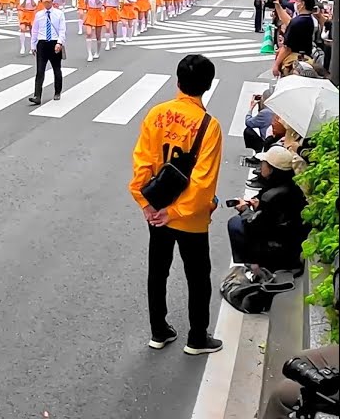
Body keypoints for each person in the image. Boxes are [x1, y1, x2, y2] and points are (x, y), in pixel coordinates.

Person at [128, 54, 224, 356]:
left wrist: (148, 205)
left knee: (158, 272)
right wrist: (178, 211)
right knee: (197, 277)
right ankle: (196, 338)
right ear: (207, 86)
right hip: (191, 218)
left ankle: (159, 331)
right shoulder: (209, 126)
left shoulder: (156, 114)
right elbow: (203, 182)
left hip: (156, 212)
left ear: (178, 81)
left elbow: (142, 163)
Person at [227, 145, 308, 278]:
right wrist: (259, 206)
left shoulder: (271, 196)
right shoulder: (292, 186)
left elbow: (254, 225)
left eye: (263, 163)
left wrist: (244, 209)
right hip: (291, 243)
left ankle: (256, 266)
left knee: (235, 223)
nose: (260, 165)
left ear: (271, 169)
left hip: (278, 247)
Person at [28, 0, 66, 106]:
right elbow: (35, 31)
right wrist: (33, 45)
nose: (46, 0)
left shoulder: (59, 13)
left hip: (54, 43)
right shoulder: (39, 14)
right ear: (41, 0)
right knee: (40, 71)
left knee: (56, 69)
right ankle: (37, 96)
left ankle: (57, 91)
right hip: (42, 44)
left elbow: (62, 30)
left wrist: (59, 43)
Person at [243, 87, 276, 153]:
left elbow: (248, 122)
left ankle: (259, 152)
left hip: (267, 143)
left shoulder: (265, 113)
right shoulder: (279, 109)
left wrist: (251, 107)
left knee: (248, 131)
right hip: (278, 140)